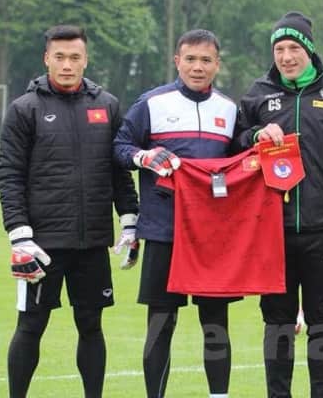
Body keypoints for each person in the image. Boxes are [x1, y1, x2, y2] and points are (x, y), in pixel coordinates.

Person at [0, 25, 139, 398]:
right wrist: (19, 234)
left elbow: (118, 170)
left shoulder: (106, 105)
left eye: (75, 57)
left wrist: (129, 220)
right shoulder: (24, 109)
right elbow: (9, 174)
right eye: (59, 57)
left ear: (85, 60)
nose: (67, 65)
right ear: (46, 58)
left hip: (92, 242)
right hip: (41, 244)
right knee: (31, 325)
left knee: (91, 325)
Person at [233, 11, 323, 398]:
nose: (286, 57)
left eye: (293, 48)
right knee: (277, 323)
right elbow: (236, 141)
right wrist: (257, 133)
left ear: (309, 48)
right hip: (273, 231)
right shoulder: (258, 94)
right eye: (279, 49)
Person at [113, 29, 238, 398]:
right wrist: (144, 156)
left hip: (211, 236)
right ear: (177, 61)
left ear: (217, 64)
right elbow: (119, 146)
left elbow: (242, 159)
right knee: (160, 323)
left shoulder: (229, 109)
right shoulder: (152, 103)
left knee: (215, 322)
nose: (198, 67)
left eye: (206, 60)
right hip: (163, 230)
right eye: (190, 59)